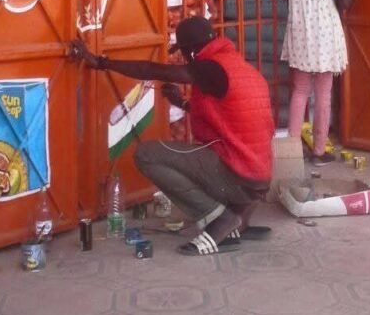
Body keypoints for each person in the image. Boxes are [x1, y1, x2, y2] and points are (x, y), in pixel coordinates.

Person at [69, 16, 275, 256]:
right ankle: (237, 219)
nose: (185, 59)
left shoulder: (212, 67)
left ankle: (220, 219)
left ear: (192, 51)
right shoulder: (240, 67)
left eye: (184, 53)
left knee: (146, 154)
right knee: (204, 155)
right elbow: (230, 117)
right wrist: (182, 103)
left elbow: (152, 70)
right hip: (258, 178)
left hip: (239, 175)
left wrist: (101, 62)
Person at [280, 0, 356, 163]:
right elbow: (344, 2)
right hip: (324, 30)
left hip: (299, 28)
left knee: (300, 90)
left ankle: (291, 152)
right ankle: (319, 151)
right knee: (323, 92)